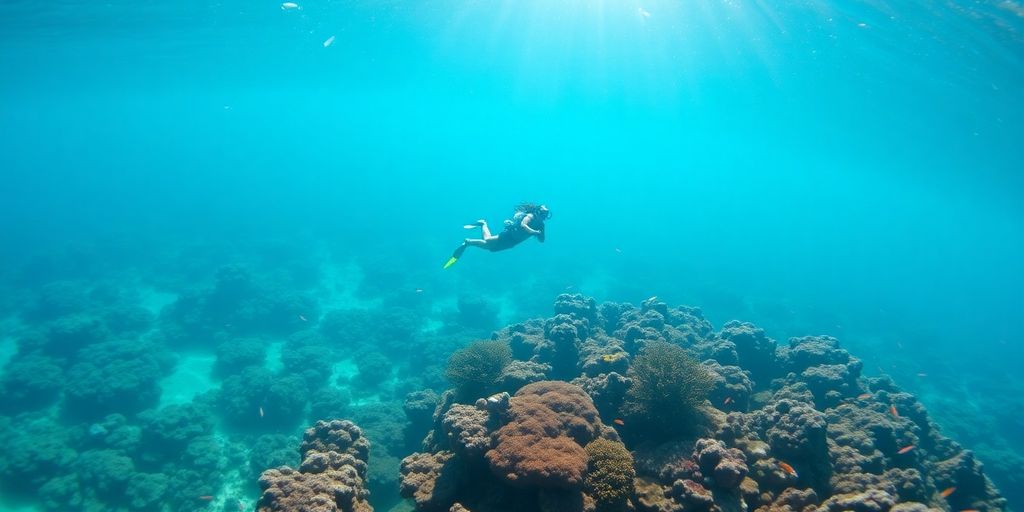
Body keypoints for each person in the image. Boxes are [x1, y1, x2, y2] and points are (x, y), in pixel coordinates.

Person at [443, 203, 551, 269]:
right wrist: (534, 232)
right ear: (538, 212)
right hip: (509, 235)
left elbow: (542, 240)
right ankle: (480, 227)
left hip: (513, 242)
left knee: (490, 248)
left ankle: (470, 241)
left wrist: (541, 234)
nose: (544, 216)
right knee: (488, 241)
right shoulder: (530, 216)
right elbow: (523, 225)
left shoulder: (541, 224)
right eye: (543, 213)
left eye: (545, 215)